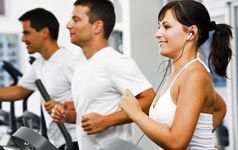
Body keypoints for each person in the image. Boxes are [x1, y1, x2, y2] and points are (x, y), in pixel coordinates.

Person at [119, 0, 231, 149]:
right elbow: (220, 108)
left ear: (191, 32)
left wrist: (136, 113)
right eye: (159, 27)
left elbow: (176, 143)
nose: (157, 34)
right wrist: (196, 135)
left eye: (166, 26)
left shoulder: (195, 75)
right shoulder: (178, 74)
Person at [50, 0, 155, 149]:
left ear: (97, 26)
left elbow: (150, 99)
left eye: (76, 19)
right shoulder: (83, 66)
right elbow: (89, 118)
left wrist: (107, 120)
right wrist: (66, 116)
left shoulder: (115, 61)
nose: (68, 25)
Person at [0, 8, 80, 149]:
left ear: (44, 33)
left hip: (76, 139)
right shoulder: (39, 64)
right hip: (59, 140)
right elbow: (19, 91)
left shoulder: (69, 62)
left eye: (27, 33)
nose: (23, 39)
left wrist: (63, 107)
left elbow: (92, 98)